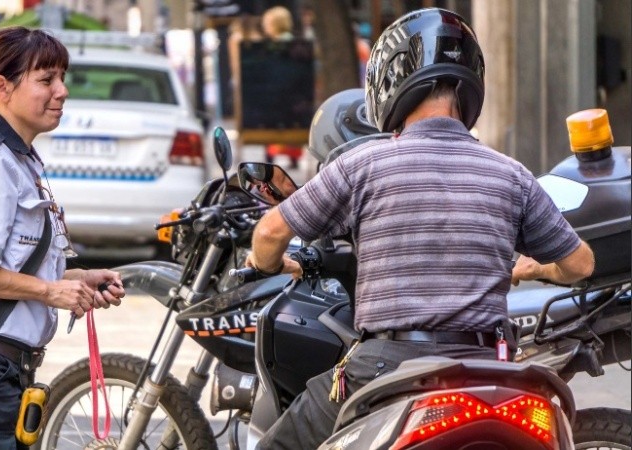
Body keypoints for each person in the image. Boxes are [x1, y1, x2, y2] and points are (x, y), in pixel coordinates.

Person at [245, 8, 596, 449]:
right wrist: (534, 268)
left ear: (389, 83)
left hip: (386, 366)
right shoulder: (511, 174)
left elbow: (270, 233)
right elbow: (580, 264)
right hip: (487, 368)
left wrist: (266, 264)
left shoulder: (362, 165)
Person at [0, 26, 126, 446]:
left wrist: (76, 280)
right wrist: (50, 292)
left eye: (62, 78)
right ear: (2, 88)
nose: (62, 91)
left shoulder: (19, 160)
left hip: (3, 371)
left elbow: (10, 267)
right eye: (46, 79)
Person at [260, 5, 303, 168]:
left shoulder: (274, 45)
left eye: (266, 23)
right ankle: (293, 158)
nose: (264, 27)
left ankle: (269, 159)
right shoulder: (296, 43)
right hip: (295, 98)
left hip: (279, 97)